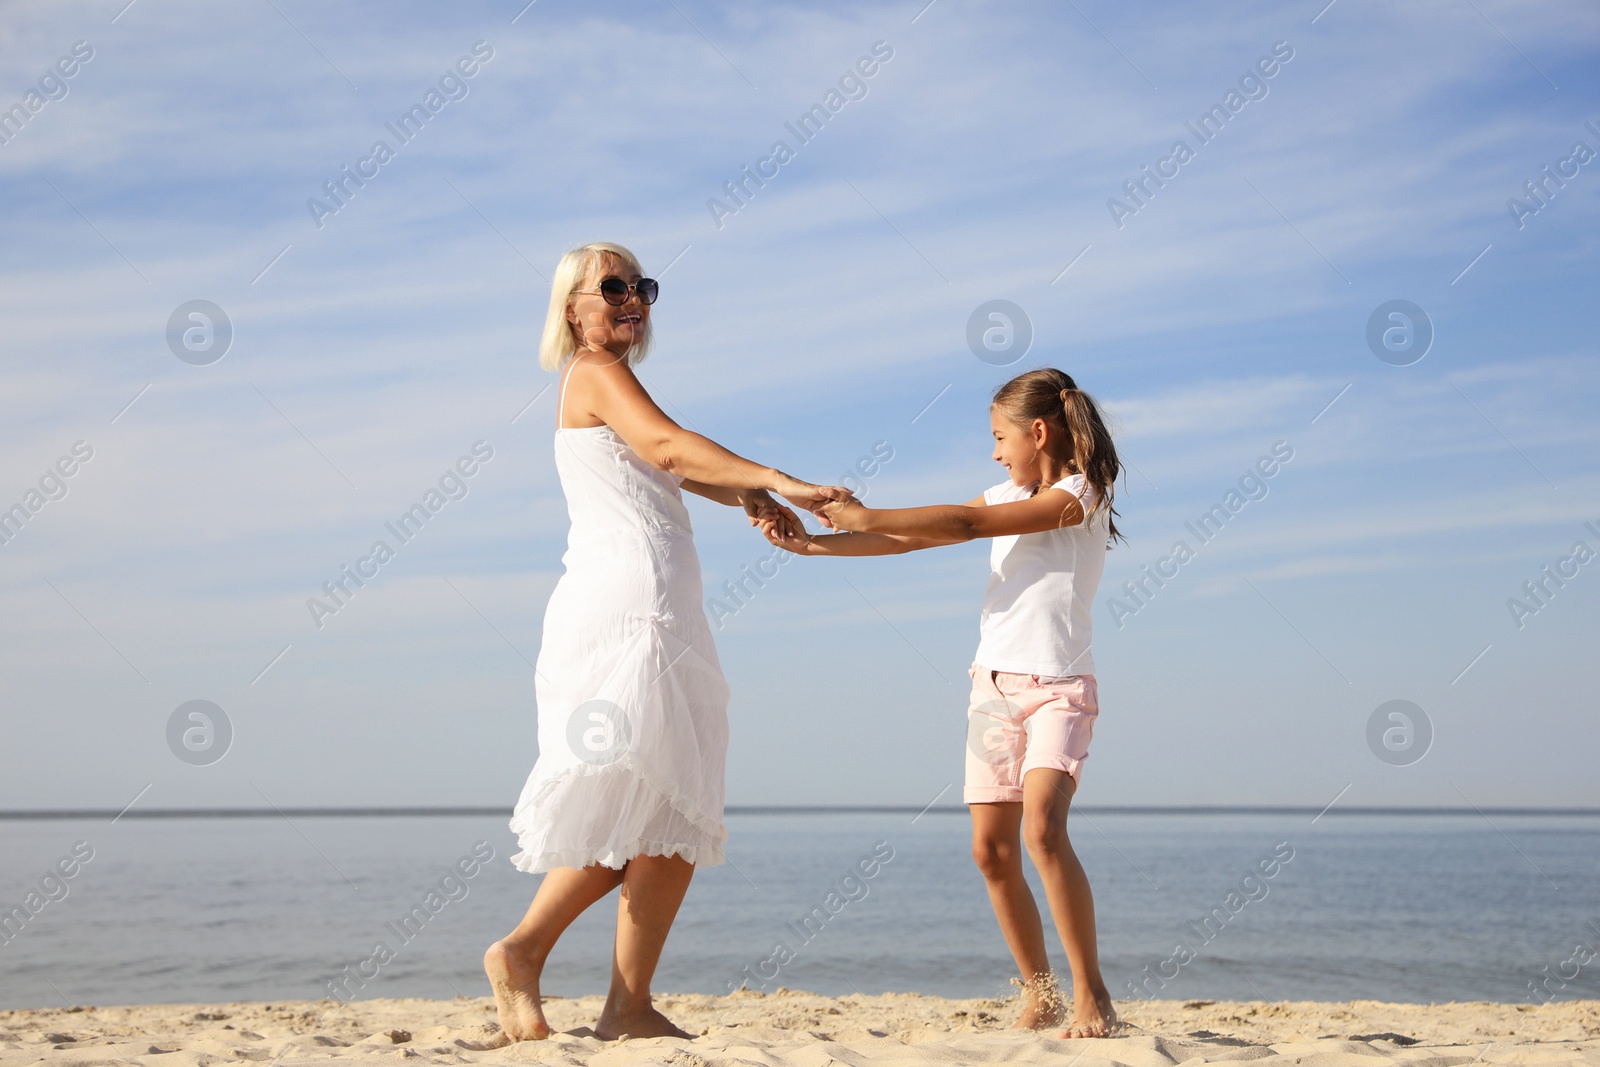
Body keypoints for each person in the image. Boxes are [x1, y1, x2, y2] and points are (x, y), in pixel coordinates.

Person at [486, 242, 840, 1043]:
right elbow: (674, 445)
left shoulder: (613, 382)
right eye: (611, 286)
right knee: (658, 796)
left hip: (655, 608)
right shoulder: (595, 372)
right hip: (631, 612)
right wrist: (782, 477)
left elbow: (672, 468)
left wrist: (748, 492)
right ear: (571, 307)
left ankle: (619, 999)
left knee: (662, 812)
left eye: (642, 286)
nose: (632, 298)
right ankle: (531, 954)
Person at [755, 367, 1123, 1038]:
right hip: (992, 688)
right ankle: (1041, 993)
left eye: (998, 436)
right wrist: (813, 542)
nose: (994, 451)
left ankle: (1091, 992)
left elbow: (965, 522)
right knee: (991, 850)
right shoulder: (1008, 490)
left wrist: (864, 511)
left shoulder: (1079, 495)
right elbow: (916, 537)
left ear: (1038, 432)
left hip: (1059, 690)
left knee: (1042, 827)